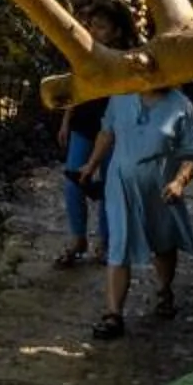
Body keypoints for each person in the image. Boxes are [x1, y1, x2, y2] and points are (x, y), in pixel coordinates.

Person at [76, 84, 193, 340]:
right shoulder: (120, 96)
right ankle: (113, 315)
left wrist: (180, 181)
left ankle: (164, 291)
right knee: (118, 244)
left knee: (164, 243)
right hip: (120, 186)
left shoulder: (180, 105)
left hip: (161, 191)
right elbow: (107, 133)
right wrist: (91, 164)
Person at [54, 91, 107, 266]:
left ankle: (105, 243)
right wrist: (66, 120)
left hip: (115, 123)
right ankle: (78, 239)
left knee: (110, 186)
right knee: (73, 183)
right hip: (84, 123)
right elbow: (76, 85)